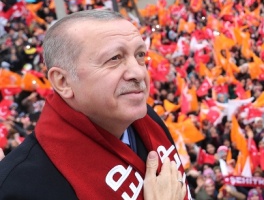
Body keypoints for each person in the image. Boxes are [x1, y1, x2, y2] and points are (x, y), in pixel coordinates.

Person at [0, 10, 189, 200]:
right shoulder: (22, 187)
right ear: (63, 81)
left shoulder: (145, 117)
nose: (139, 73)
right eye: (115, 58)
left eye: (140, 55)